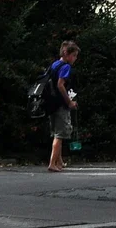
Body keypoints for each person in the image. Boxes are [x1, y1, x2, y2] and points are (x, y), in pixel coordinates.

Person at [46, 40, 79, 172]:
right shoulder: (65, 67)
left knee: (55, 133)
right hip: (60, 105)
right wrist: (70, 102)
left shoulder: (55, 65)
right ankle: (52, 163)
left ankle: (59, 162)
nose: (75, 59)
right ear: (66, 53)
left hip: (51, 104)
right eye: (74, 55)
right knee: (60, 135)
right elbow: (60, 84)